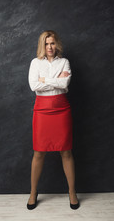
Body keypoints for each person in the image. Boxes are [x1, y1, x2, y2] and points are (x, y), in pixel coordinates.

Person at [27, 30, 79, 210]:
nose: (50, 47)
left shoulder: (64, 62)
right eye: (47, 44)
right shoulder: (35, 63)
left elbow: (65, 84)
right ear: (42, 45)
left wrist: (45, 80)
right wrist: (55, 80)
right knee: (39, 152)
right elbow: (34, 85)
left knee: (66, 151)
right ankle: (33, 192)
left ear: (57, 44)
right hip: (41, 110)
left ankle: (72, 193)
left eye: (53, 43)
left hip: (61, 110)